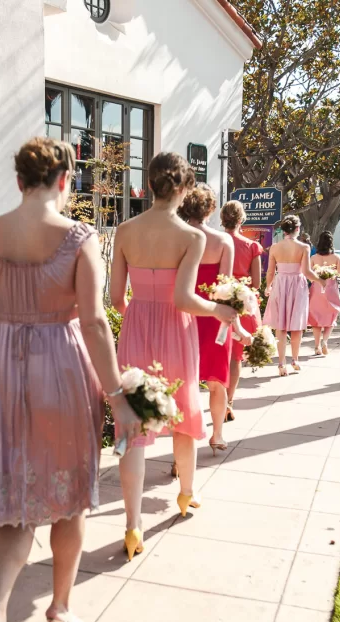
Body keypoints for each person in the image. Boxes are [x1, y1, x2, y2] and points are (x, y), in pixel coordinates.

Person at [0, 137, 142, 622]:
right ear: (65, 181)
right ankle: (59, 608)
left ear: (20, 181)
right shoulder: (78, 237)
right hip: (62, 369)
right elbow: (95, 323)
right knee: (69, 500)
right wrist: (117, 394)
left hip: (3, 369)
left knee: (15, 507)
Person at [111, 152, 237, 561]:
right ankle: (185, 495)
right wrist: (219, 309)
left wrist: (138, 320)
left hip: (135, 332)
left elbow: (115, 299)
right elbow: (184, 299)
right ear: (183, 189)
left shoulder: (124, 230)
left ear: (150, 184)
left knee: (132, 431)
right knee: (183, 416)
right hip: (175, 333)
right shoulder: (192, 236)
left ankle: (133, 526)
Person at [177, 184, 242, 453]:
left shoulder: (177, 238)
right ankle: (216, 434)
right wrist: (236, 324)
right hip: (214, 316)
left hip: (183, 314)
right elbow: (224, 288)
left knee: (184, 382)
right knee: (217, 383)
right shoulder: (223, 241)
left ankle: (182, 444)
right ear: (211, 209)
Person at [222, 200, 262, 421]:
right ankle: (228, 402)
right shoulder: (251, 246)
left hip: (217, 300)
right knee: (235, 357)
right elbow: (256, 283)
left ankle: (216, 398)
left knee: (217, 352)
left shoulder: (214, 242)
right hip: (241, 303)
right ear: (241, 219)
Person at [263, 215, 316, 376]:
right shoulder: (304, 248)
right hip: (297, 286)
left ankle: (280, 363)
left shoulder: (275, 247)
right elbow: (307, 272)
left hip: (280, 284)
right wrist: (320, 280)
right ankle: (294, 359)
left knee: (281, 326)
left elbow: (271, 271)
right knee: (297, 325)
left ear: (284, 230)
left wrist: (268, 286)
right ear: (298, 229)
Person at [309, 232, 340, 355]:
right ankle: (324, 341)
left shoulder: (313, 258)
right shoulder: (337, 258)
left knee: (315, 319)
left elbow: (309, 276)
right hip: (331, 289)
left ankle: (316, 346)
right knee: (331, 316)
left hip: (316, 290)